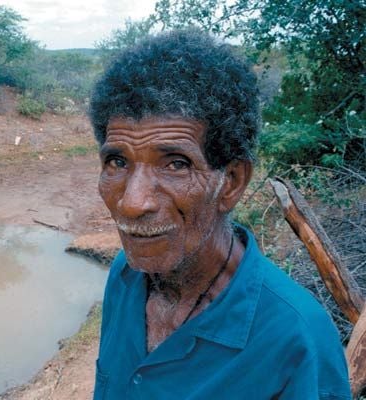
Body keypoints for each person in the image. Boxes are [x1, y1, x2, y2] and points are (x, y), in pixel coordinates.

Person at [88, 29, 351, 399]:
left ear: (231, 182)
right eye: (117, 161)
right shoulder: (125, 275)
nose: (132, 203)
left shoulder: (297, 337)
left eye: (176, 164)